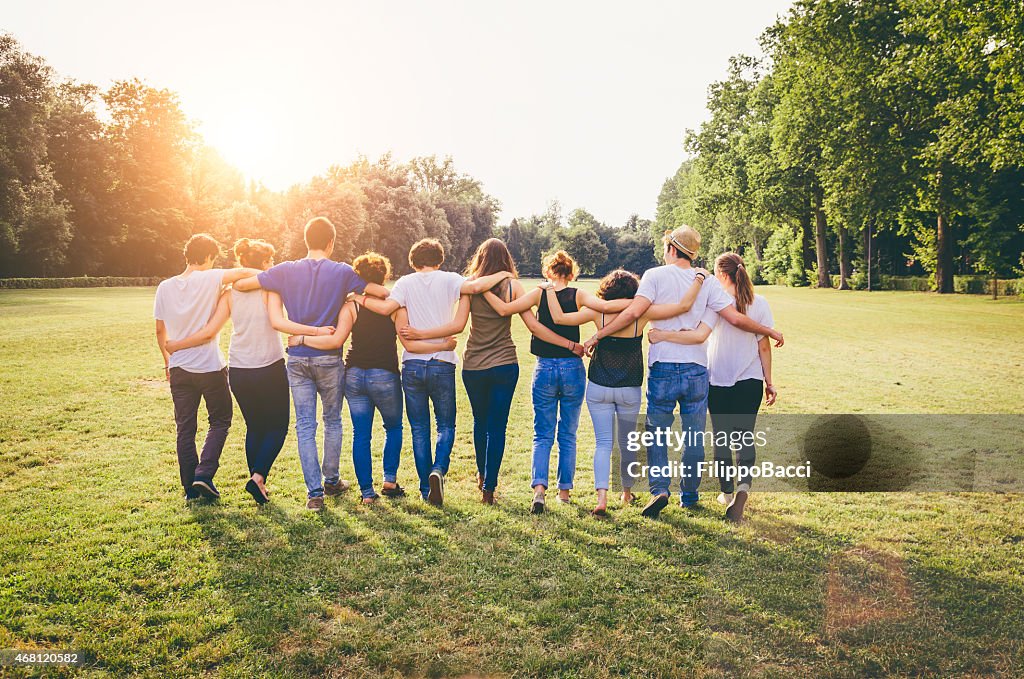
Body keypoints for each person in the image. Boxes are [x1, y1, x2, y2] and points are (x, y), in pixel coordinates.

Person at [582, 225, 784, 519]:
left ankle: (660, 489)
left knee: (658, 432)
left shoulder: (654, 276)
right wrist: (770, 330)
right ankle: (688, 496)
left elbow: (632, 313)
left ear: (671, 249)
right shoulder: (708, 282)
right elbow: (736, 319)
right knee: (693, 435)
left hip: (663, 365)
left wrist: (597, 337)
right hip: (697, 369)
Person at [234, 217, 390, 511]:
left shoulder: (284, 271)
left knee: (305, 425)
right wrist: (353, 293)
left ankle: (314, 494)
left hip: (297, 358)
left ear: (306, 240)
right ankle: (332, 480)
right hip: (329, 358)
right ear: (330, 242)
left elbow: (242, 284)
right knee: (332, 421)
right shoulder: (342, 271)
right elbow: (382, 292)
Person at [351, 238, 517, 506]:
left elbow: (384, 308)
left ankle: (425, 490)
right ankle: (438, 469)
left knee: (419, 429)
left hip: (412, 365)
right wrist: (503, 272)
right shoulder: (450, 279)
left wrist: (358, 296)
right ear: (439, 259)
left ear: (412, 261)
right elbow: (475, 286)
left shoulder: (404, 283)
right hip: (442, 363)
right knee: (446, 425)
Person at [163, 238, 321, 505]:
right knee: (278, 426)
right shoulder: (271, 289)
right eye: (270, 261)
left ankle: (257, 483)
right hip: (268, 366)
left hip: (238, 369)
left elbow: (210, 331)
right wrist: (314, 331)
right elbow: (279, 321)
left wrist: (177, 345)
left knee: (255, 427)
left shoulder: (229, 294)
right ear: (265, 263)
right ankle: (258, 478)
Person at [289, 252, 456, 504]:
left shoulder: (352, 305)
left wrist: (302, 338)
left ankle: (367, 493)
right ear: (384, 276)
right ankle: (389, 480)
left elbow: (337, 339)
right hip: (385, 374)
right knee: (393, 428)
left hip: (354, 375)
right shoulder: (395, 306)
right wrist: (444, 343)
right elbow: (407, 340)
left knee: (361, 435)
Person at [541, 268, 705, 515]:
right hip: (629, 386)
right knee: (627, 442)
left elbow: (560, 319)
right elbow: (681, 306)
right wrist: (698, 280)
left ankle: (601, 498)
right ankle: (627, 492)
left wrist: (550, 289)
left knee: (603, 443)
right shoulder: (643, 313)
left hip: (598, 385)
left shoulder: (598, 311)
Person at [445, 239, 583, 504]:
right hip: (504, 363)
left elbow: (460, 322)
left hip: (474, 364)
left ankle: (481, 475)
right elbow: (534, 326)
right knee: (497, 427)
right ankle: (489, 488)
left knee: (479, 422)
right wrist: (569, 344)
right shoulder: (512, 285)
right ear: (505, 260)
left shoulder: (469, 286)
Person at [649, 252, 777, 523]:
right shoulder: (760, 303)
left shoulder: (716, 302)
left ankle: (727, 493)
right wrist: (769, 381)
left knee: (721, 439)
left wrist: (666, 335)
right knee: (744, 437)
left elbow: (699, 334)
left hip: (718, 379)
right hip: (751, 379)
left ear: (720, 275)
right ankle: (743, 488)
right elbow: (763, 345)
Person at [479, 250, 593, 512]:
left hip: (544, 368)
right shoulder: (578, 294)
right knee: (568, 433)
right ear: (571, 273)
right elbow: (603, 309)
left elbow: (504, 309)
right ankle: (563, 492)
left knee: (542, 433)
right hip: (572, 367)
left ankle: (539, 490)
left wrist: (481, 288)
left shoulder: (539, 292)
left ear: (547, 271)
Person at [153, 234, 262, 500]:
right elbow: (248, 271)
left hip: (178, 367)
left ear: (187, 255)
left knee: (185, 428)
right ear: (210, 256)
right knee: (221, 420)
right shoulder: (212, 277)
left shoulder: (164, 287)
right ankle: (204, 474)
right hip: (210, 367)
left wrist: (168, 362)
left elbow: (159, 330)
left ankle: (190, 488)